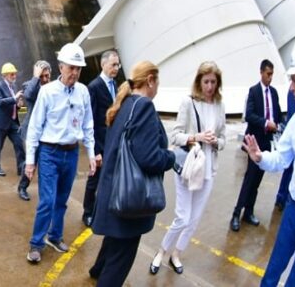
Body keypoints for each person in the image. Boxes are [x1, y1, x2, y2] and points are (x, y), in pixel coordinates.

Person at [87, 60, 175, 285]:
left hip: (113, 191)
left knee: (114, 244)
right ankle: (102, 275)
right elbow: (148, 157)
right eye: (158, 82)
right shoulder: (144, 106)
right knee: (120, 260)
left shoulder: (125, 103)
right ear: (150, 80)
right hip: (129, 199)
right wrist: (171, 156)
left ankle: (97, 269)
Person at [244, 40, 295, 287]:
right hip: (293, 211)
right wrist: (261, 157)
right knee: (271, 274)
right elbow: (281, 158)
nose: (291, 87)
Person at [150, 61, 226, 275]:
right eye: (206, 81)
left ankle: (177, 253)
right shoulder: (188, 102)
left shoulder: (220, 105)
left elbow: (223, 139)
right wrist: (197, 137)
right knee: (182, 217)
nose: (210, 86)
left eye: (213, 82)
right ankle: (162, 251)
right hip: (189, 166)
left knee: (194, 219)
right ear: (199, 82)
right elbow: (175, 136)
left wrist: (214, 142)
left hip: (208, 169)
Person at [25, 43, 96, 263]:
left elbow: (88, 125)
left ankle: (55, 237)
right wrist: (30, 161)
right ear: (61, 67)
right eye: (71, 67)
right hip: (50, 152)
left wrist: (92, 154)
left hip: (72, 152)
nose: (74, 72)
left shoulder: (83, 92)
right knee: (47, 200)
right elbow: (35, 128)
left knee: (62, 200)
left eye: (78, 68)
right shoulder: (47, 92)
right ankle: (36, 244)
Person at [231, 59, 283, 231]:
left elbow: (277, 112)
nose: (270, 77)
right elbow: (249, 116)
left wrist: (280, 124)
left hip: (267, 141)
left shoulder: (273, 93)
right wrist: (266, 123)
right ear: (261, 72)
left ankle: (249, 212)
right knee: (250, 178)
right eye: (268, 74)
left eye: (272, 74)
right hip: (254, 141)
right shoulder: (253, 92)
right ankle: (236, 214)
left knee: (258, 180)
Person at [82, 50, 120, 226]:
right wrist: (95, 151)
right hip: (100, 143)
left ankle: (105, 209)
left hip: (114, 142)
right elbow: (89, 120)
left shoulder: (116, 85)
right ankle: (88, 212)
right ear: (103, 64)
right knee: (94, 179)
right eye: (113, 64)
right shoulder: (94, 87)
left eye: (118, 65)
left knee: (112, 178)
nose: (116, 68)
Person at [17, 60, 52, 201]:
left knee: (47, 162)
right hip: (32, 131)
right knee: (31, 161)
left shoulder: (54, 87)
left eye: (47, 76)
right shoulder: (30, 85)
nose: (45, 79)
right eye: (42, 76)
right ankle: (22, 187)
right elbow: (29, 96)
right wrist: (35, 77)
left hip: (49, 132)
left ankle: (46, 190)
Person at [0, 62, 25, 177]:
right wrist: (14, 98)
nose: (14, 76)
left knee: (19, 144)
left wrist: (19, 104)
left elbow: (13, 103)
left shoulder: (13, 86)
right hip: (1, 123)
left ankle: (21, 168)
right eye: (12, 74)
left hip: (13, 122)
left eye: (15, 74)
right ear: (5, 75)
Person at [275, 87, 295, 211]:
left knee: (291, 165)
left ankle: (282, 197)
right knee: (290, 164)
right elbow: (294, 119)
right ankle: (282, 198)